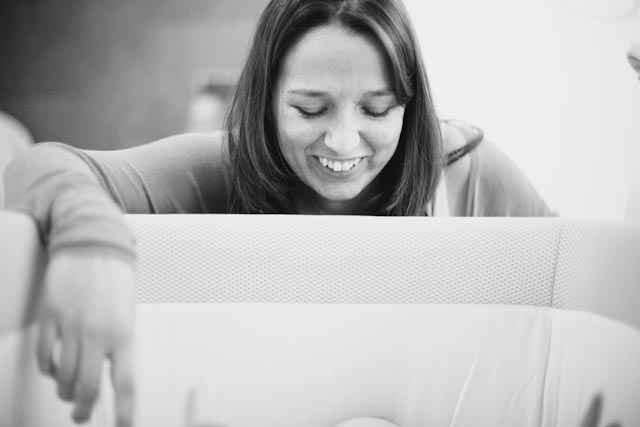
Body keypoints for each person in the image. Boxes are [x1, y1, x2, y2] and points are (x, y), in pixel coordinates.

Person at [2, 0, 554, 425]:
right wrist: (91, 239)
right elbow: (40, 166)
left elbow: (572, 286)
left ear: (409, 105)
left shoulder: (463, 172)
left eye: (377, 109)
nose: (342, 141)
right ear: (267, 101)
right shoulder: (221, 168)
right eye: (309, 109)